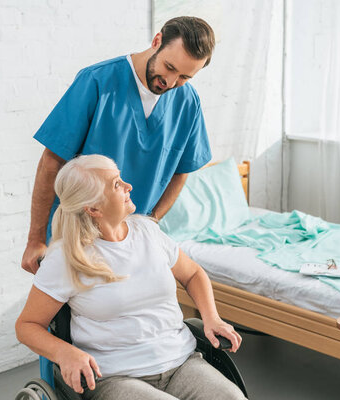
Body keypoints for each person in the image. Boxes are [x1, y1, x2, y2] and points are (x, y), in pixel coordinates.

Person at [15, 155, 245, 400]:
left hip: (182, 362)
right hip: (115, 377)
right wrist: (64, 353)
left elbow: (193, 274)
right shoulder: (65, 258)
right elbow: (27, 326)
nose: (128, 186)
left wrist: (212, 318)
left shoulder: (148, 232)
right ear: (93, 209)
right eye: (116, 184)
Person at [22, 16, 215, 275]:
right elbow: (51, 162)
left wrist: (150, 223)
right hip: (76, 237)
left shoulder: (188, 102)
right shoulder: (97, 82)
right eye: (169, 67)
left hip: (129, 241)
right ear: (157, 41)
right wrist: (35, 240)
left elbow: (181, 172)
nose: (170, 82)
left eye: (184, 77)